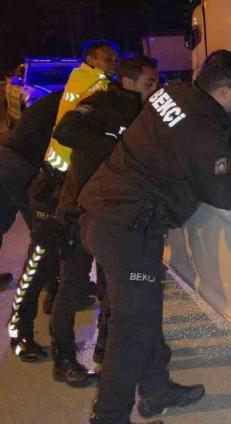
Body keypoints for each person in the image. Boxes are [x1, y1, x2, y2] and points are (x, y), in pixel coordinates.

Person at [77, 49, 231, 424]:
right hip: (128, 230)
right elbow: (220, 192)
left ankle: (156, 391)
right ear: (223, 90)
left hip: (104, 214)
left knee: (143, 315)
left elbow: (203, 134)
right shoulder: (203, 131)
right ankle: (108, 416)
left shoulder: (173, 93)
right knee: (131, 330)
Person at [48, 56, 160, 387]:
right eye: (149, 83)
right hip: (79, 209)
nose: (155, 89)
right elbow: (64, 130)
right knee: (72, 285)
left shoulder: (148, 112)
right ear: (128, 81)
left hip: (116, 215)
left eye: (156, 83)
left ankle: (106, 348)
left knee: (115, 287)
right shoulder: (101, 102)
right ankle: (63, 357)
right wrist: (114, 145)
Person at [7, 40, 116, 361]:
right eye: (107, 59)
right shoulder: (93, 89)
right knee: (39, 259)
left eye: (115, 60)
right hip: (45, 180)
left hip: (57, 182)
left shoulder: (81, 88)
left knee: (59, 256)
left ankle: (54, 302)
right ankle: (19, 332)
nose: (112, 65)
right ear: (91, 61)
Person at [0, 90, 63, 294]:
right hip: (22, 165)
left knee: (1, 219)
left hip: (6, 157)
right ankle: (50, 284)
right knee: (41, 227)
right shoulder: (72, 104)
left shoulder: (56, 97)